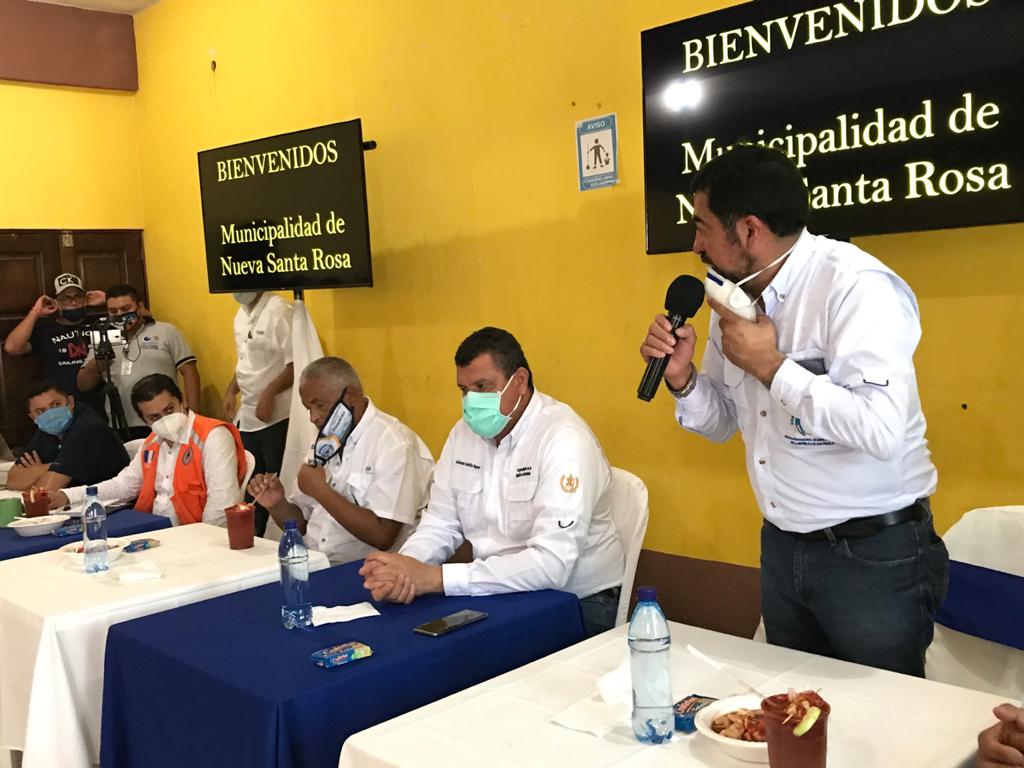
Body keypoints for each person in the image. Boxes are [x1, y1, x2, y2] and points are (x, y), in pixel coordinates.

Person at [639, 144, 947, 676]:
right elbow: (725, 422)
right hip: (783, 547)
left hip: (872, 556)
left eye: (702, 227)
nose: (695, 244)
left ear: (749, 230)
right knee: (789, 708)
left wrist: (772, 366)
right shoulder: (733, 297)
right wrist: (683, 380)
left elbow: (880, 429)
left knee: (883, 717)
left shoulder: (854, 286)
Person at [360, 327, 624, 637]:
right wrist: (405, 568)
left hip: (577, 601)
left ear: (520, 380)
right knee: (409, 641)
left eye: (483, 386)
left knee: (463, 657)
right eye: (464, 390)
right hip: (494, 591)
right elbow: (440, 522)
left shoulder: (564, 439)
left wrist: (436, 578)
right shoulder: (463, 434)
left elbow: (553, 565)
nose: (472, 400)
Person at [248, 356, 433, 564]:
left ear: (350, 396)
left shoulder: (395, 444)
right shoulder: (326, 440)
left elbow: (383, 536)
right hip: (315, 561)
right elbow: (301, 524)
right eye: (308, 408)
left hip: (368, 569)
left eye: (320, 405)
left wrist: (320, 489)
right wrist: (277, 503)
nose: (313, 417)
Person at [49, 374, 244, 526]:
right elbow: (123, 486)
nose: (165, 420)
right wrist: (68, 496)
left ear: (182, 400)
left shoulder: (212, 436)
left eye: (169, 410)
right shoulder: (152, 443)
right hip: (153, 530)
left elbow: (222, 505)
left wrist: (203, 547)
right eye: (154, 417)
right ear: (144, 421)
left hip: (195, 536)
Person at [77, 284, 199, 440]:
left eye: (125, 309)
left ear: (140, 307)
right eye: (113, 311)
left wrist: (193, 414)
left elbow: (189, 371)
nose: (120, 315)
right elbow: (83, 385)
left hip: (165, 420)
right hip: (121, 424)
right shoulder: (103, 338)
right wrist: (99, 359)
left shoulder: (166, 331)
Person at [223, 291, 294, 537]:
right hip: (247, 417)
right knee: (249, 485)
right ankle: (252, 536)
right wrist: (231, 390)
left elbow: (296, 363)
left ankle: (276, 538)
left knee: (273, 484)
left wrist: (270, 394)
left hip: (277, 417)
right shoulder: (240, 316)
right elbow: (245, 362)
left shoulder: (280, 311)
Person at [2, 273, 106, 412]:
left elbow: (134, 322)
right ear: (56, 302)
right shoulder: (45, 329)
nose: (73, 303)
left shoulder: (99, 324)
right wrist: (36, 311)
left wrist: (108, 300)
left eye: (78, 297)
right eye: (66, 299)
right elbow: (12, 347)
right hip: (60, 406)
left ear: (85, 299)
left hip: (100, 403)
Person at [6, 381, 129, 491]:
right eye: (41, 411)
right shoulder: (47, 427)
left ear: (70, 402)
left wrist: (38, 471)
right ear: (33, 417)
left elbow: (44, 491)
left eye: (56, 404)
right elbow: (12, 480)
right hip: (73, 500)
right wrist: (51, 467)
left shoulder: (87, 428)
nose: (51, 414)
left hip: (109, 502)